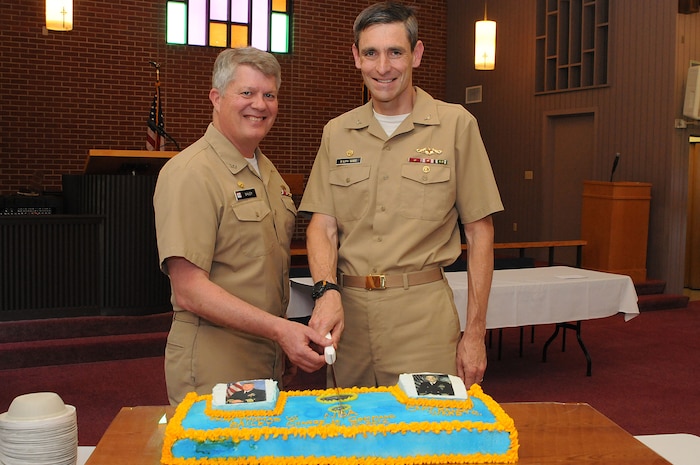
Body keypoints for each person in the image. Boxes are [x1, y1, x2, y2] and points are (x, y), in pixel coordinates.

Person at [299, 2, 503, 389]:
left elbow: (480, 234)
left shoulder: (456, 125)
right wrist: (325, 292)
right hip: (350, 322)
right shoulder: (337, 132)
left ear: (417, 54)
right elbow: (322, 227)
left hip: (422, 319)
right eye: (371, 53)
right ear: (356, 57)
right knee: (352, 437)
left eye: (395, 52)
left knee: (428, 438)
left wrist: (475, 334)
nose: (383, 67)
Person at [154, 47, 328, 405]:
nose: (260, 105)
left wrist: (278, 347)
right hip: (215, 362)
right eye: (246, 93)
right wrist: (281, 331)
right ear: (216, 98)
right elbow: (189, 290)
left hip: (266, 355)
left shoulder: (268, 173)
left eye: (269, 95)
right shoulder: (191, 173)